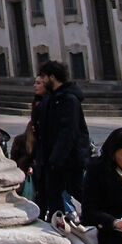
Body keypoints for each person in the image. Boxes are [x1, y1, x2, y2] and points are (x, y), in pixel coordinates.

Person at [31, 58, 91, 221]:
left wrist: (56, 158)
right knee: (51, 196)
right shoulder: (50, 99)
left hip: (67, 160)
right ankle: (54, 223)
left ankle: (96, 217)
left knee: (79, 190)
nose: (40, 81)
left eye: (43, 77)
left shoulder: (69, 99)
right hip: (50, 160)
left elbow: (69, 132)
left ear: (51, 77)